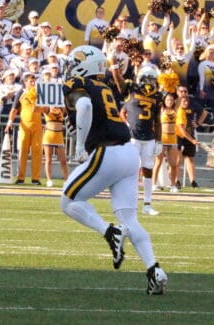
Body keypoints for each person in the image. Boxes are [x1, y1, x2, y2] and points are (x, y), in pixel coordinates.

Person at [60, 45, 167, 295]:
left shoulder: (80, 84)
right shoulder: (105, 86)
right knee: (129, 218)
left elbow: (85, 106)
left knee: (68, 201)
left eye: (74, 62)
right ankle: (154, 270)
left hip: (107, 152)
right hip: (129, 153)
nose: (70, 67)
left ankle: (109, 232)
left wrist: (79, 146)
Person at [119, 67, 163, 215]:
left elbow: (157, 120)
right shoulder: (133, 91)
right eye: (149, 79)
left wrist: (159, 140)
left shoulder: (157, 96)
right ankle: (130, 203)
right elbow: (123, 112)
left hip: (149, 137)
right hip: (133, 136)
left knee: (147, 170)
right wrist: (126, 124)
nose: (150, 82)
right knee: (131, 169)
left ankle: (147, 204)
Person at [4, 72, 45, 185]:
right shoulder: (21, 93)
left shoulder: (39, 93)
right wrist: (10, 122)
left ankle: (35, 178)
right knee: (22, 151)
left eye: (34, 81)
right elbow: (14, 109)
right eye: (30, 81)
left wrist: (40, 109)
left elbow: (46, 108)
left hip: (37, 126)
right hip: (25, 126)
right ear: (25, 82)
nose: (32, 83)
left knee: (37, 151)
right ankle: (21, 177)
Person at [152, 93, 180, 192]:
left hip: (173, 139)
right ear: (164, 100)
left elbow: (180, 97)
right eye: (167, 99)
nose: (169, 101)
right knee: (158, 162)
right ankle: (154, 184)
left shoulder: (176, 109)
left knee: (173, 164)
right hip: (162, 139)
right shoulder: (161, 109)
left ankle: (172, 185)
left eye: (171, 100)